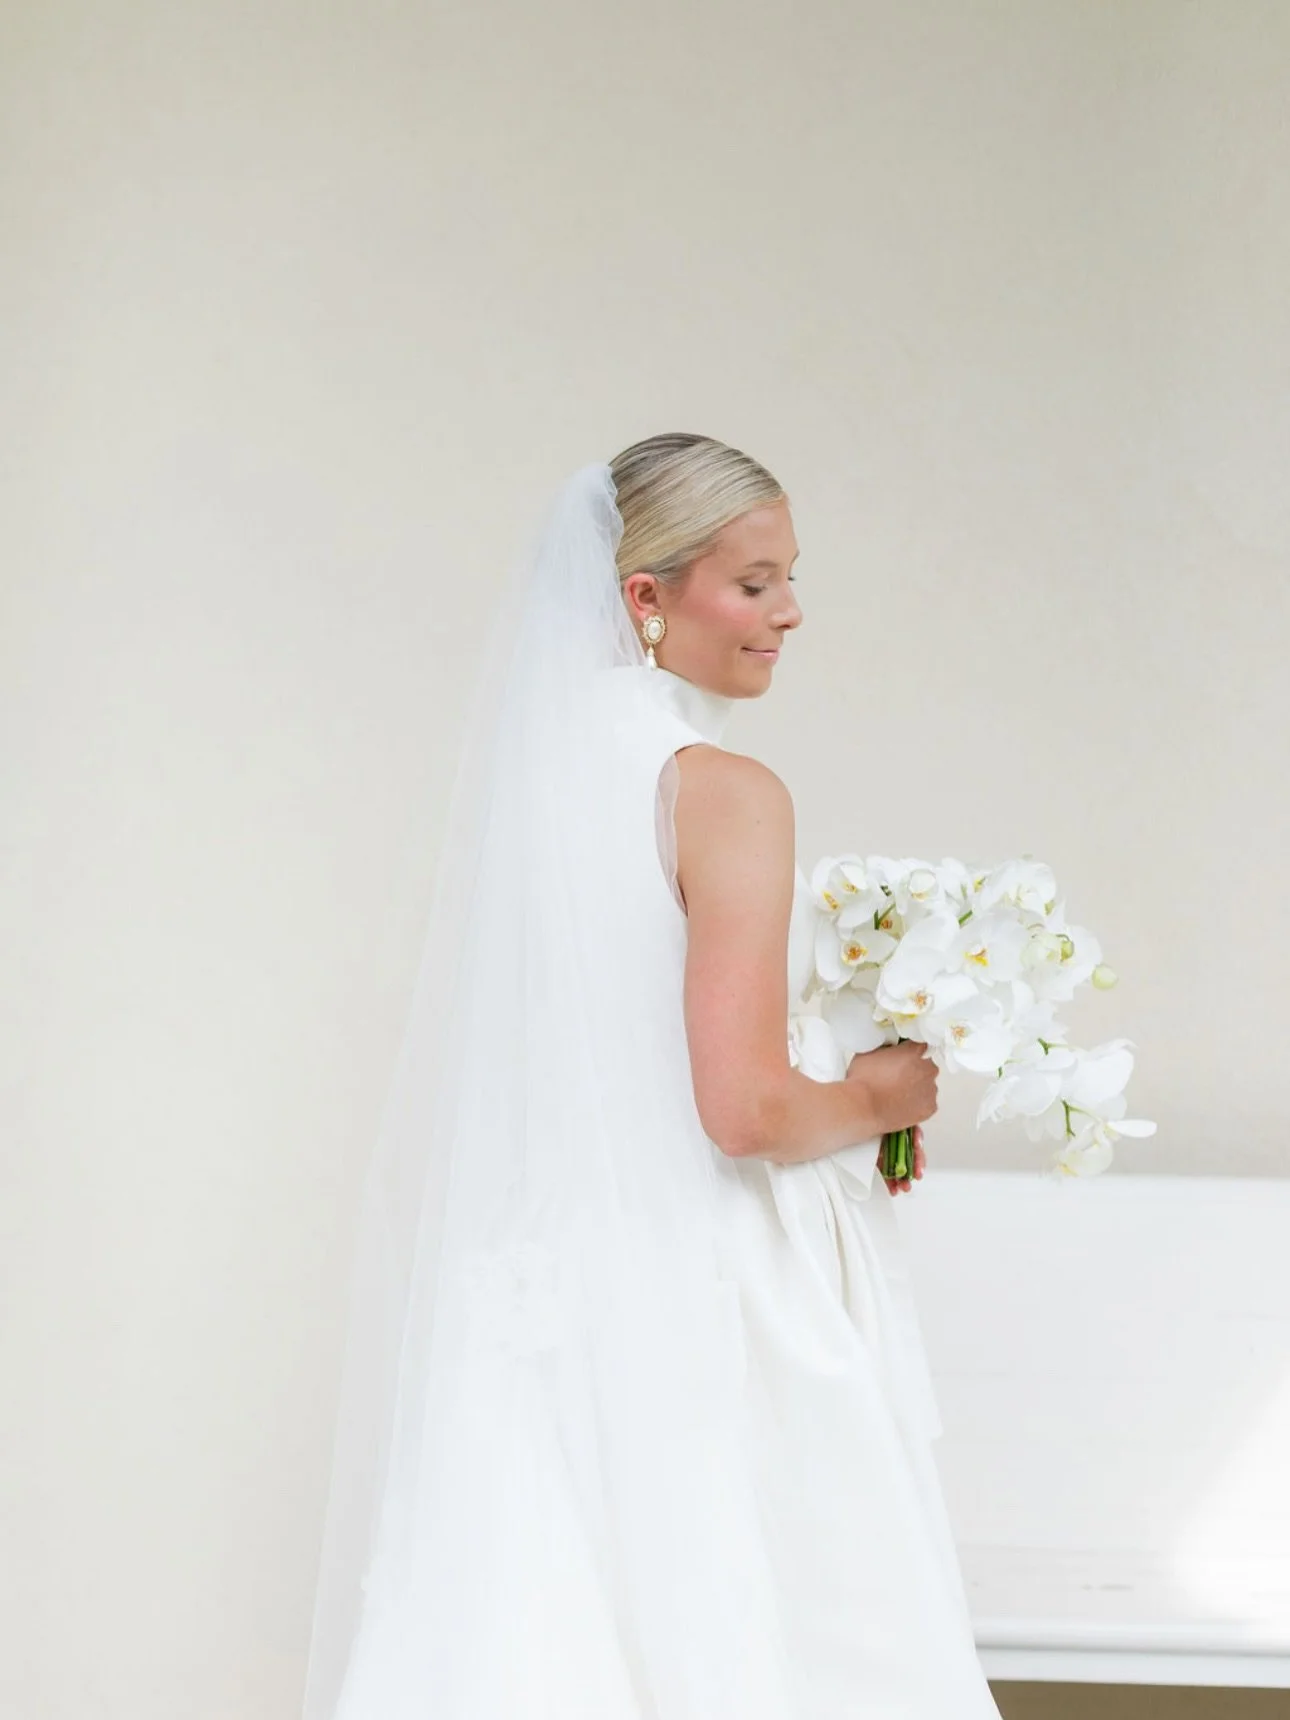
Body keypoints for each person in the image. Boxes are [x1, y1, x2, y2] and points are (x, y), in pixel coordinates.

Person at [302, 433, 1005, 1718]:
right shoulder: (720, 791)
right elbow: (742, 1109)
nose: (789, 611)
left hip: (530, 1308)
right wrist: (881, 1096)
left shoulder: (533, 792)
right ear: (645, 596)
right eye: (753, 583)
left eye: (791, 577)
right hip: (706, 1301)